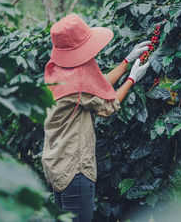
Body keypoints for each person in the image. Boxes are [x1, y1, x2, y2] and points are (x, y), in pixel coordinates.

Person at [42, 14, 150, 222]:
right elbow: (108, 105)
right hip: (75, 169)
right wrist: (132, 79)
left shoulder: (59, 71)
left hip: (57, 164)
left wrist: (126, 61)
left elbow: (97, 86)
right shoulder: (79, 85)